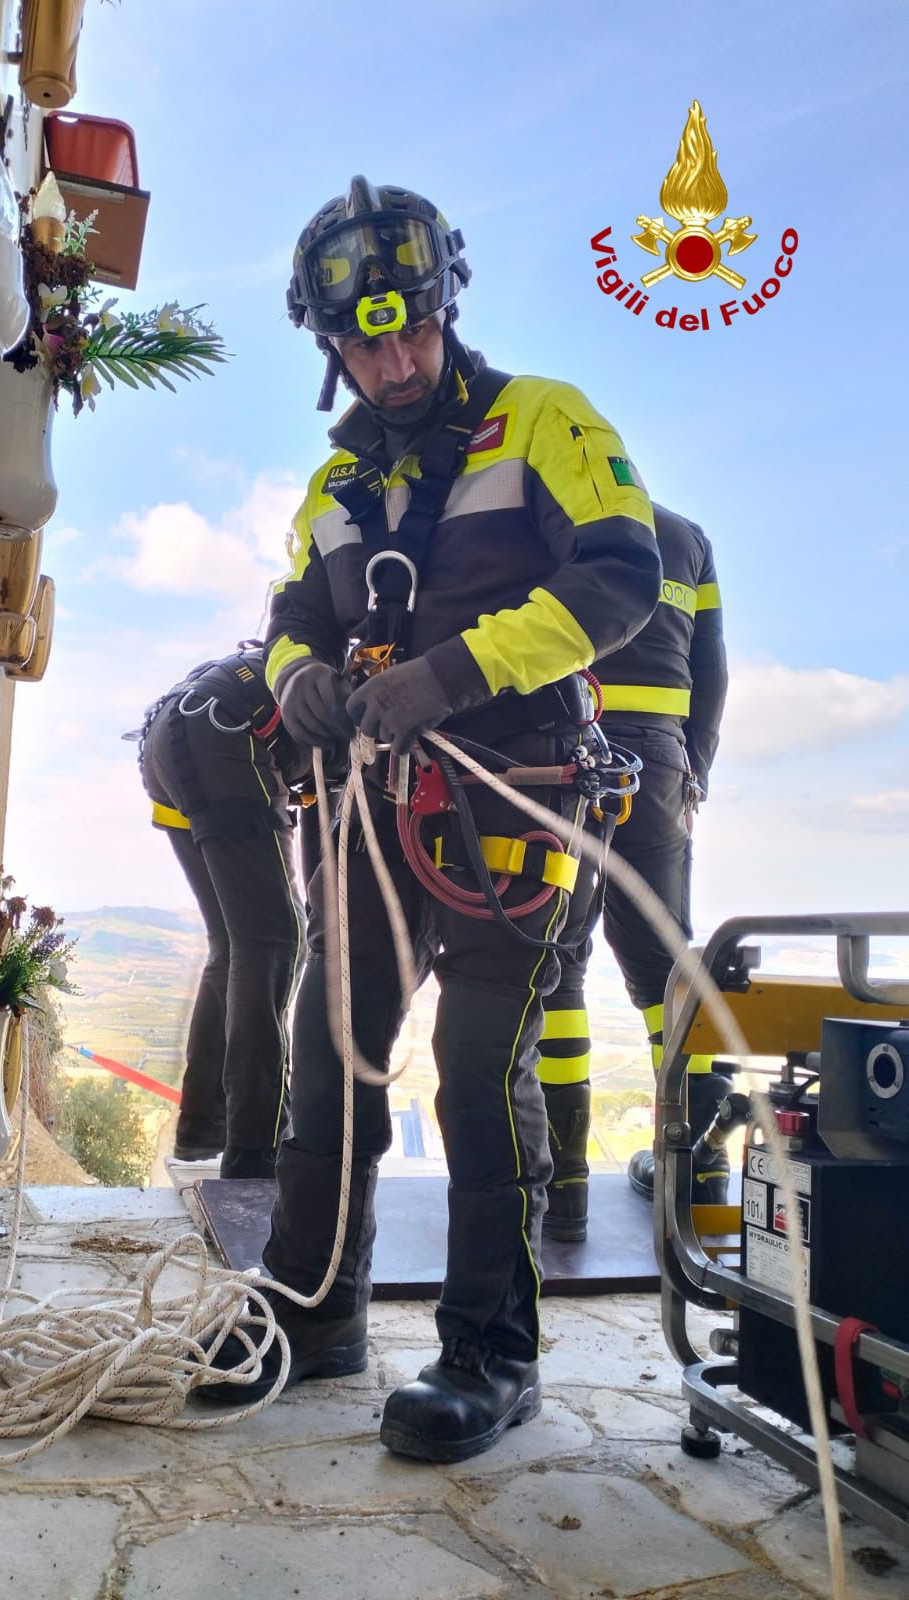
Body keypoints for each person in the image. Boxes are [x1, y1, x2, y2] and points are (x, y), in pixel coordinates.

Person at [199, 177, 660, 1462]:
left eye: (411, 329)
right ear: (329, 345)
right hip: (368, 815)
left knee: (474, 1070)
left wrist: (449, 676)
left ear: (447, 307)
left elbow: (623, 576)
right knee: (333, 1048)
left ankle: (488, 1356)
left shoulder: (545, 423)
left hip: (507, 816)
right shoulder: (335, 480)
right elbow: (295, 615)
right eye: (364, 340)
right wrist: (300, 682)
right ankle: (311, 1313)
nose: (393, 360)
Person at [537, 506, 729, 1241]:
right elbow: (711, 664)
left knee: (555, 961)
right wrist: (693, 771)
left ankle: (563, 1190)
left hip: (563, 752)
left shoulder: (545, 515)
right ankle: (701, 1174)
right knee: (668, 968)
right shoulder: (687, 534)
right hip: (659, 761)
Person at [133, 647, 307, 1179]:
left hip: (170, 738)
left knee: (236, 944)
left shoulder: (317, 659)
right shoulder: (366, 692)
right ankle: (257, 1146)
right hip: (225, 735)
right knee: (277, 940)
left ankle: (204, 1127)